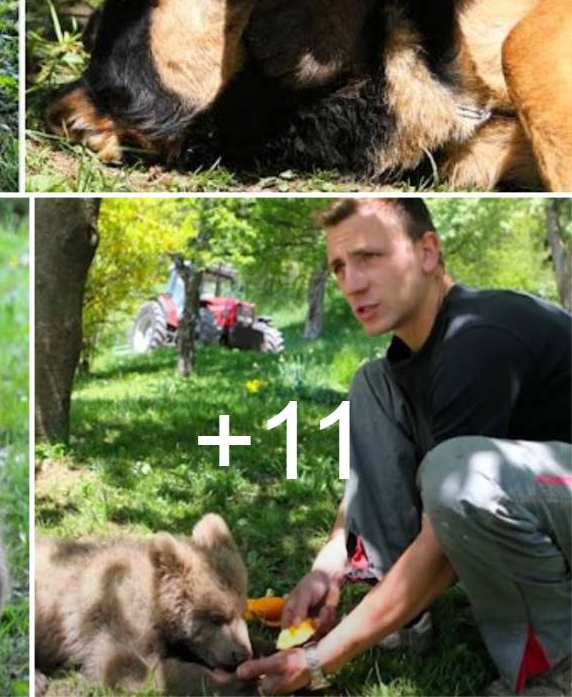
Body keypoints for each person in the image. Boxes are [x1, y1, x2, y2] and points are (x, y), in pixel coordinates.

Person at [238, 198, 571, 696]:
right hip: (546, 498)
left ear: (428, 252)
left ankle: (555, 668)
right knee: (372, 385)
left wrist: (321, 659)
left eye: (369, 257)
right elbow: (367, 481)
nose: (352, 283)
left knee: (460, 475)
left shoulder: (476, 338)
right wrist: (329, 563)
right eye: (339, 267)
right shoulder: (410, 360)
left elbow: (445, 540)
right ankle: (401, 618)